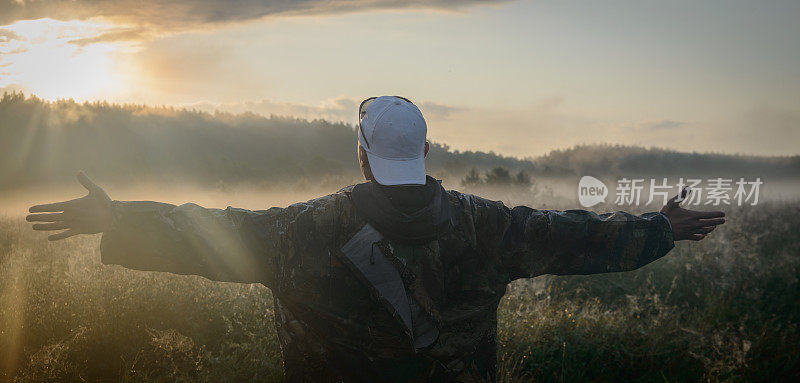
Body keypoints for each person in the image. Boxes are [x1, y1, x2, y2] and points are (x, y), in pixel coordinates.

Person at [27, 96, 725, 382]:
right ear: (427, 150)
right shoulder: (492, 226)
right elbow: (580, 239)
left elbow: (207, 232)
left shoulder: (300, 231)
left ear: (362, 156)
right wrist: (662, 226)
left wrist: (116, 217)